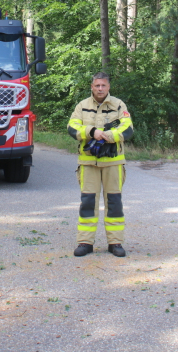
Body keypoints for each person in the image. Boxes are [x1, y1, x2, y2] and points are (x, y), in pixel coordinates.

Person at [67, 72, 134, 257]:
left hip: (113, 163)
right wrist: (91, 132)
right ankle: (85, 242)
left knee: (114, 203)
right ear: (92, 86)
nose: (100, 88)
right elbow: (72, 127)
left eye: (103, 85)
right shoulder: (82, 106)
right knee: (88, 202)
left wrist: (109, 136)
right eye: (97, 85)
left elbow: (128, 128)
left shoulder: (119, 105)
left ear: (108, 87)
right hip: (88, 163)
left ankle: (115, 243)